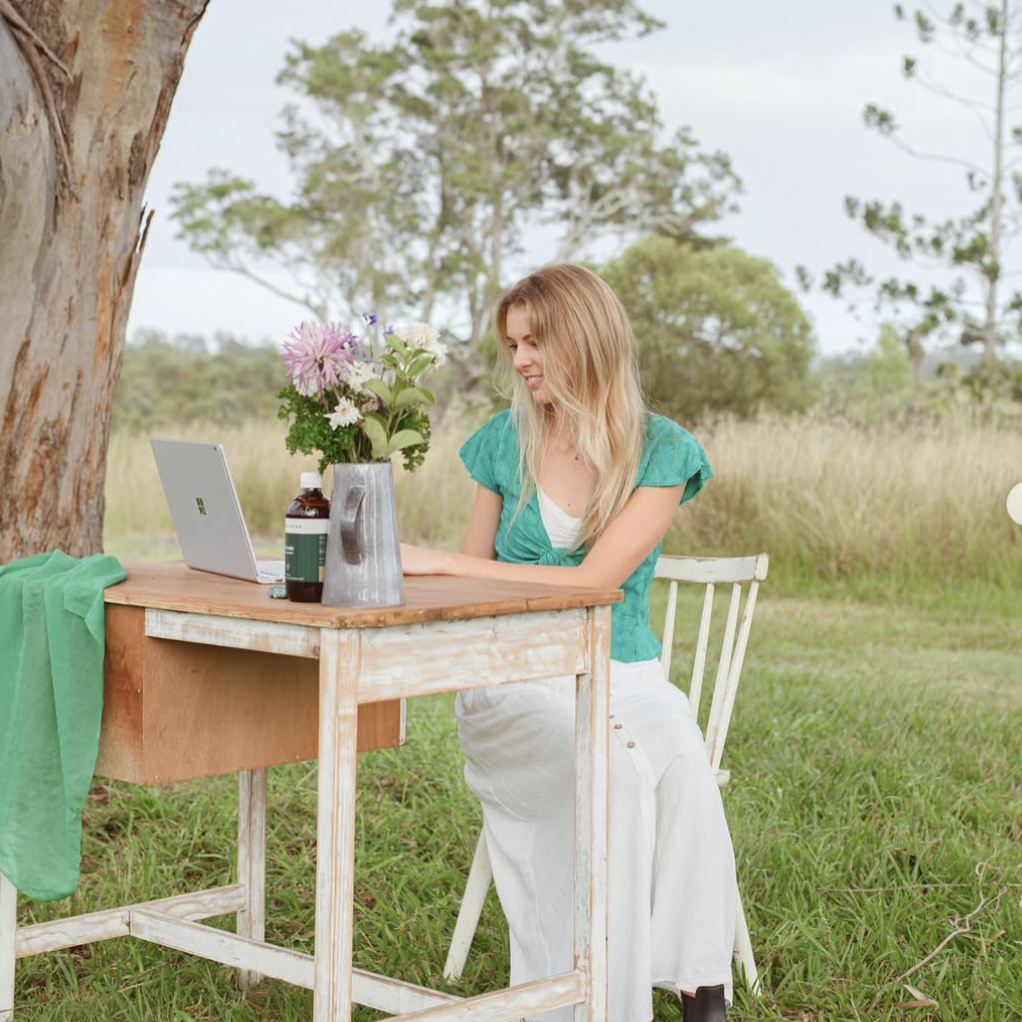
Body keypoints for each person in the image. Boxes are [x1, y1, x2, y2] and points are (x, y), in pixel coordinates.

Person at [400, 263, 737, 1022]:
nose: (519, 361)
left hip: (624, 673)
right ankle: (594, 1002)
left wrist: (445, 559)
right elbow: (475, 581)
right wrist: (446, 570)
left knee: (681, 758)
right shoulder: (501, 441)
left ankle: (699, 991)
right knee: (611, 773)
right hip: (515, 679)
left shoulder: (661, 450)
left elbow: (594, 584)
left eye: (535, 341)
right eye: (513, 344)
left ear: (585, 338)